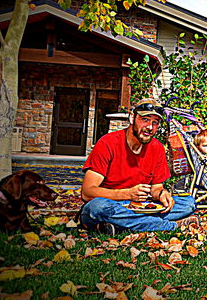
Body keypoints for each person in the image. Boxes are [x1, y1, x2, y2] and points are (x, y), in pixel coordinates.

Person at [79, 98, 198, 235]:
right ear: (132, 118)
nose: (150, 127)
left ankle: (119, 225)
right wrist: (127, 193)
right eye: (145, 119)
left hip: (142, 206)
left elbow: (156, 188)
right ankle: (169, 226)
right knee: (96, 207)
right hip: (112, 204)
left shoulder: (157, 148)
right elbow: (87, 193)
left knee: (188, 203)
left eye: (155, 123)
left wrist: (162, 194)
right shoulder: (107, 143)